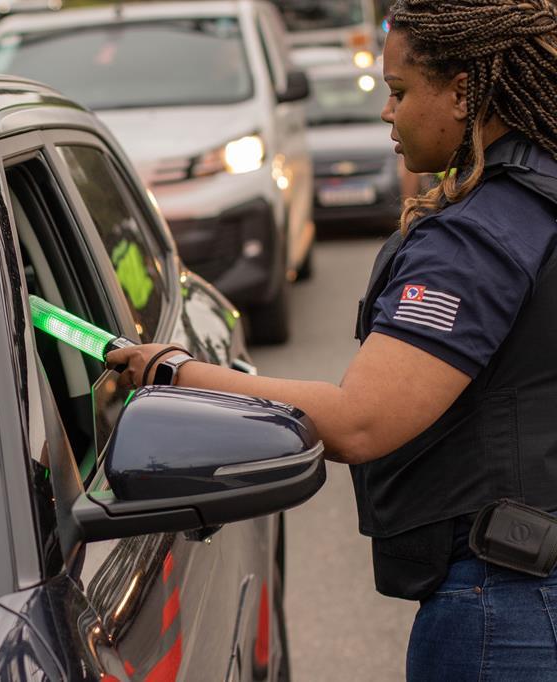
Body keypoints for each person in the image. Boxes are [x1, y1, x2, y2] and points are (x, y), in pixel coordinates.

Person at [107, 1, 557, 678]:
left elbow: (359, 423)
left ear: (463, 92)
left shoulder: (477, 240)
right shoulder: (540, 196)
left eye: (399, 92)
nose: (387, 114)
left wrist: (174, 372)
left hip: (508, 607)